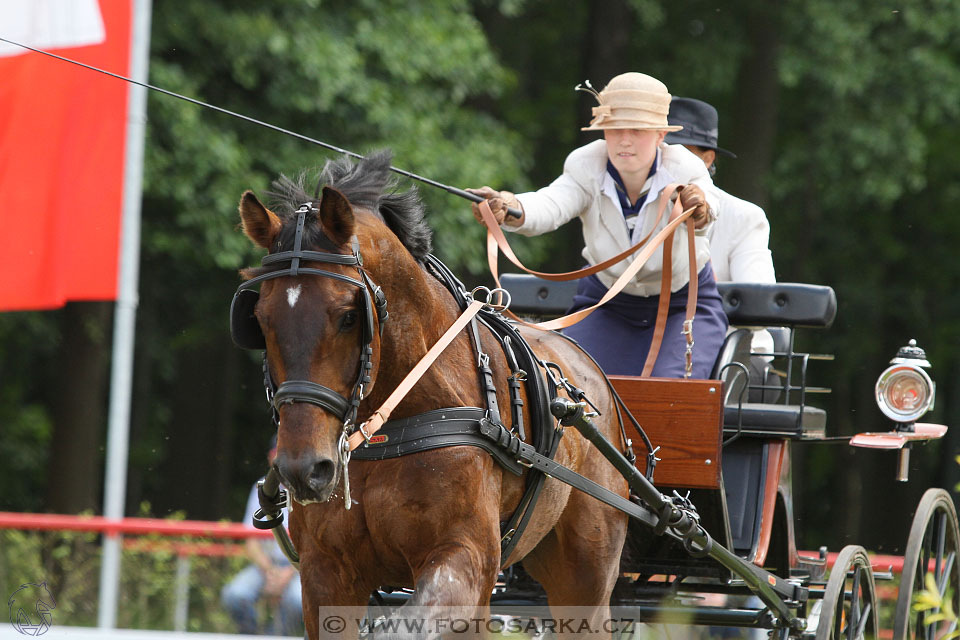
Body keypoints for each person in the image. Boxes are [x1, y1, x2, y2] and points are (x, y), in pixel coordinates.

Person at [468, 72, 728, 378]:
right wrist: (510, 207)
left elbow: (708, 205)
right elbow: (551, 202)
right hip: (606, 304)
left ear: (660, 136)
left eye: (636, 130)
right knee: (566, 384)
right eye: (614, 129)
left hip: (682, 308)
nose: (624, 140)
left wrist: (699, 209)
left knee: (670, 397)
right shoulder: (584, 165)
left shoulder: (686, 167)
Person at [663, 97, 775, 285]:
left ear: (707, 158)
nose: (670, 160)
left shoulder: (744, 218)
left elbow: (756, 298)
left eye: (681, 151)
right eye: (662, 151)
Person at [221, 435, 302, 636]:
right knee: (234, 595)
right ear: (270, 458)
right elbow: (251, 540)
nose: (281, 462)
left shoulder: (307, 489)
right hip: (267, 566)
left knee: (297, 602)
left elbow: (313, 544)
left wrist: (287, 574)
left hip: (298, 568)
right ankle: (254, 634)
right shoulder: (261, 487)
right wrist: (270, 570)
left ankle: (273, 635)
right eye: (277, 456)